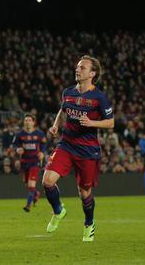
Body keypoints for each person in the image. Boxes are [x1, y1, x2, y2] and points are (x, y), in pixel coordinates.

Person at [43, 55, 114, 242]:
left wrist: (92, 122)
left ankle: (89, 223)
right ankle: (58, 211)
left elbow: (111, 122)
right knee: (47, 181)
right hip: (66, 144)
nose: (77, 70)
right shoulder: (68, 92)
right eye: (77, 67)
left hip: (88, 150)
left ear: (92, 73)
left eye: (82, 68)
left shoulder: (99, 97)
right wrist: (56, 124)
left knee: (84, 193)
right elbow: (63, 109)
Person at [12, 114, 46, 212]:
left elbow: (44, 143)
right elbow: (14, 145)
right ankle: (36, 194)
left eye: (29, 120)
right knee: (27, 184)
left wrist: (42, 152)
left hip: (35, 162)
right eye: (26, 120)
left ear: (33, 122)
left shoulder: (39, 134)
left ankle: (28, 205)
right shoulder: (19, 135)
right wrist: (17, 149)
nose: (27, 122)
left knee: (31, 185)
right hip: (24, 162)